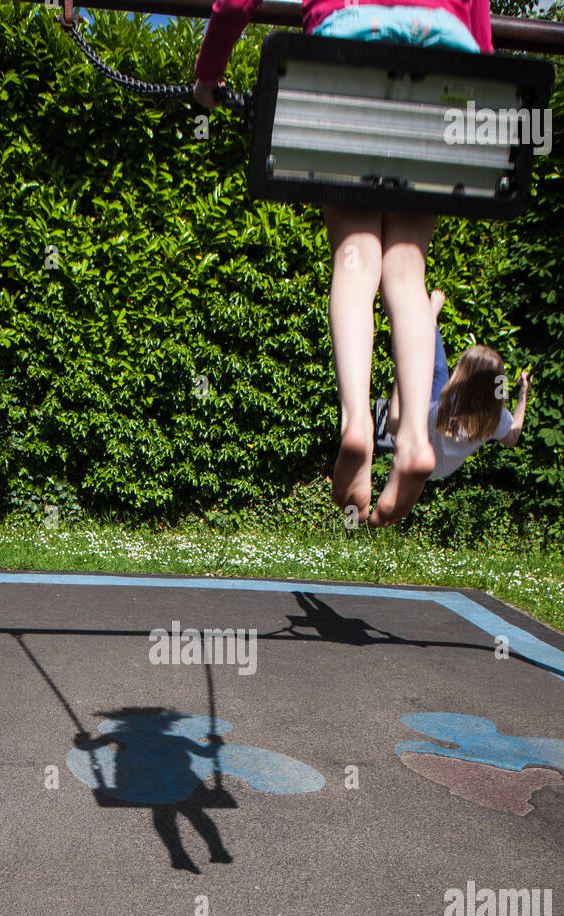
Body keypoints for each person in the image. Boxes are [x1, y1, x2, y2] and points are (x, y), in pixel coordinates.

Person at [193, 0, 496, 527]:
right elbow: (485, 39)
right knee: (407, 269)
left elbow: (236, 4)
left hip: (347, 52)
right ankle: (414, 440)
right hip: (448, 65)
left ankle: (357, 423)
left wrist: (208, 74)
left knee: (355, 259)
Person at [383, 288, 531, 481]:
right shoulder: (495, 418)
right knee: (439, 372)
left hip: (415, 461)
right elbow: (512, 437)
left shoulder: (442, 408)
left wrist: (400, 379)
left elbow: (393, 426)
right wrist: (523, 395)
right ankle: (431, 319)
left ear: (462, 376)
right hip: (439, 469)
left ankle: (431, 320)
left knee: (436, 369)